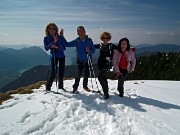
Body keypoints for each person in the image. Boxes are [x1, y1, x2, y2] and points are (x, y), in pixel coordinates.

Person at [65, 26, 95, 93]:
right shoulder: (76, 41)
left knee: (86, 74)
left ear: (85, 31)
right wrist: (62, 36)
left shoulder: (89, 40)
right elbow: (67, 44)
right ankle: (75, 87)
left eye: (82, 31)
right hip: (80, 60)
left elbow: (93, 51)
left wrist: (89, 51)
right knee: (78, 74)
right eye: (80, 31)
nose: (81, 32)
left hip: (88, 60)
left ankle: (85, 86)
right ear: (77, 33)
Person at [43, 23, 67, 91]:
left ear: (56, 29)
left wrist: (57, 47)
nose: (52, 30)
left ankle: (61, 87)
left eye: (53, 29)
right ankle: (48, 87)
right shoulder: (46, 38)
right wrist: (54, 42)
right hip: (54, 56)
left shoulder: (59, 37)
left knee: (61, 72)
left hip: (62, 56)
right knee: (53, 72)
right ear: (47, 29)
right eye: (50, 28)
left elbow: (64, 48)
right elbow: (46, 48)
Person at [94, 32, 117, 99]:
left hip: (107, 64)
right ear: (102, 38)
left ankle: (106, 93)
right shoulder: (100, 45)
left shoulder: (111, 45)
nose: (105, 39)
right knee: (103, 77)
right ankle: (106, 89)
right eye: (104, 37)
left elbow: (120, 48)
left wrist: (130, 48)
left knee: (100, 77)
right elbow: (92, 46)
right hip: (100, 63)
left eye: (107, 37)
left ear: (109, 38)